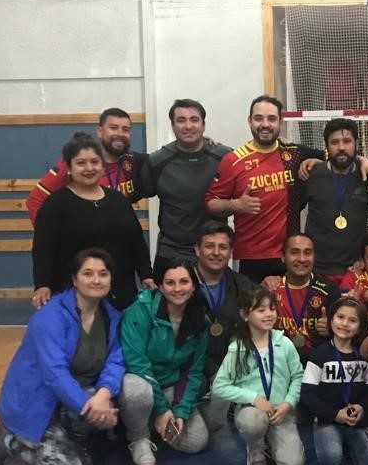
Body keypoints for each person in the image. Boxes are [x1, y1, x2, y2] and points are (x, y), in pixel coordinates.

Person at [0, 248, 124, 465]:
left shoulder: (112, 317)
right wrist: (93, 410)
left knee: (99, 396)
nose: (96, 280)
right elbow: (54, 373)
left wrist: (103, 395)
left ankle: (71, 440)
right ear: (74, 279)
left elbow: (116, 360)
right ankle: (9, 438)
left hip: (69, 400)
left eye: (103, 274)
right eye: (88, 273)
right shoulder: (50, 316)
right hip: (33, 403)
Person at [31, 132, 154, 310]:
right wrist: (42, 285)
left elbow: (136, 241)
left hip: (120, 292)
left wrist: (146, 274)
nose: (89, 168)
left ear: (102, 165)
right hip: (73, 294)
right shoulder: (55, 204)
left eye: (95, 162)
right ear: (69, 168)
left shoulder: (118, 200)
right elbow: (43, 249)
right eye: (81, 163)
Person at [205, 95, 318, 283]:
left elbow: (336, 155)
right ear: (250, 121)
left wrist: (362, 161)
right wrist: (236, 205)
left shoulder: (293, 153)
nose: (265, 124)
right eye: (259, 118)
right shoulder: (233, 160)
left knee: (288, 311)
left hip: (289, 256)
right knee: (252, 311)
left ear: (280, 122)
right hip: (250, 258)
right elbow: (210, 203)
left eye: (271, 119)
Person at [118, 261, 210, 465]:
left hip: (170, 386)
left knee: (196, 442)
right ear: (160, 286)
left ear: (193, 286)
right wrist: (161, 409)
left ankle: (151, 422)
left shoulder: (200, 321)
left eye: (184, 282)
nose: (177, 289)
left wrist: (180, 412)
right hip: (139, 382)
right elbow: (136, 363)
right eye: (170, 282)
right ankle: (139, 437)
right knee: (135, 390)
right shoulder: (141, 310)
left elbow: (193, 372)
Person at [212, 287, 305, 465]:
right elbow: (219, 386)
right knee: (252, 422)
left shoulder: (284, 343)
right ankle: (255, 447)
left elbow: (298, 376)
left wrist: (288, 403)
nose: (269, 314)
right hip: (252, 412)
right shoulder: (237, 348)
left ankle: (272, 441)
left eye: (272, 308)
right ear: (245, 315)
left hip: (281, 412)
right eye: (261, 310)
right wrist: (253, 398)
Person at [142, 98, 232, 277]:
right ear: (173, 126)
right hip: (171, 251)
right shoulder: (157, 161)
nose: (188, 126)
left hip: (212, 252)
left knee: (214, 304)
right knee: (167, 304)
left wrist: (281, 143)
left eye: (194, 120)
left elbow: (258, 156)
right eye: (181, 120)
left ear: (203, 125)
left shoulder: (226, 157)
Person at [300, 298, 368, 465]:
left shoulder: (365, 354)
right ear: (331, 320)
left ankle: (350, 442)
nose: (345, 324)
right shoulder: (319, 355)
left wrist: (362, 408)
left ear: (360, 327)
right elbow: (307, 394)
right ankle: (332, 440)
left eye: (352, 320)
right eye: (340, 317)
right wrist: (335, 414)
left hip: (356, 421)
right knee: (332, 459)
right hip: (328, 419)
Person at [26, 108, 146, 225]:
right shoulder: (75, 165)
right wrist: (49, 237)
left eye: (125, 129)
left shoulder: (132, 162)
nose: (120, 134)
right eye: (113, 128)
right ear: (100, 131)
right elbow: (35, 200)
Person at [192, 224, 255, 435]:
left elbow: (252, 333)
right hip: (193, 369)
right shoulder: (182, 284)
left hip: (232, 367)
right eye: (210, 246)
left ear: (230, 252)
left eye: (223, 247)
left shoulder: (243, 285)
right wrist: (212, 372)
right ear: (197, 250)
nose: (216, 253)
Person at [303, 118, 368, 284]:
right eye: (334, 142)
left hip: (355, 270)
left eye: (347, 141)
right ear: (326, 146)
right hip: (316, 270)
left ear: (357, 143)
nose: (341, 147)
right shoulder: (310, 174)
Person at [269, 233, 340, 362]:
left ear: (314, 257)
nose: (302, 259)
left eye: (307, 253)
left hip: (318, 365)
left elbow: (345, 338)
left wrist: (332, 328)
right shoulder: (270, 290)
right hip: (278, 363)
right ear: (283, 257)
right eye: (295, 252)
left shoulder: (329, 291)